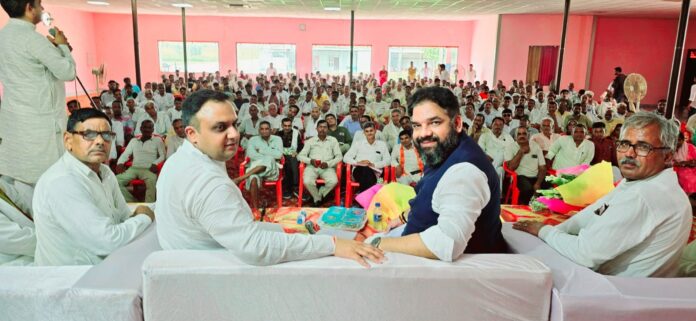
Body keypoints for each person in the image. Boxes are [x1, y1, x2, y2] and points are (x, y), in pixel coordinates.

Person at [155, 90, 383, 267]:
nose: (234, 134)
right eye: (220, 128)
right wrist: (332, 245)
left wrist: (294, 234)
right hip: (217, 269)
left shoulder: (179, 160)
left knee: (294, 232)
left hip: (201, 252)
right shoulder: (207, 182)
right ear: (192, 134)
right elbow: (256, 247)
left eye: (234, 124)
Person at [514, 112, 691, 277]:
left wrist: (544, 231)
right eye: (624, 144)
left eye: (643, 147)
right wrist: (556, 230)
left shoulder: (644, 196)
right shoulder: (640, 183)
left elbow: (585, 254)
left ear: (668, 156)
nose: (629, 153)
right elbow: (599, 210)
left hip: (611, 289)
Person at [368, 86, 506, 262]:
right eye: (417, 125)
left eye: (434, 122)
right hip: (416, 246)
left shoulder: (464, 172)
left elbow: (447, 244)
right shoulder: (445, 149)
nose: (424, 133)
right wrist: (405, 217)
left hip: (441, 273)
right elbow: (436, 198)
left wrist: (379, 243)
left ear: (457, 124)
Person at [33, 109, 153, 266]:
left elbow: (124, 216)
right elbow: (107, 242)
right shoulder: (62, 181)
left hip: (105, 264)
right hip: (73, 278)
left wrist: (138, 218)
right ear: (68, 140)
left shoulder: (105, 172)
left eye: (106, 135)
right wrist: (144, 217)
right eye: (89, 134)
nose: (99, 141)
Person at [0, 0, 76, 200]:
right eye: (40, 5)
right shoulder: (32, 39)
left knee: (22, 187)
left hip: (16, 123)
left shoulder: (3, 37)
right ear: (29, 7)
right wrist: (62, 47)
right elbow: (67, 71)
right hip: (42, 124)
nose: (42, 10)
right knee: (50, 188)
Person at [235, 121, 282, 209]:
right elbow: (251, 155)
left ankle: (241, 178)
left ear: (271, 130)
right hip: (256, 169)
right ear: (259, 130)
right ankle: (256, 210)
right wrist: (270, 153)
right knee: (253, 178)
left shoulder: (277, 139)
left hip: (271, 170)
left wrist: (260, 151)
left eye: (267, 129)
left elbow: (279, 155)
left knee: (269, 159)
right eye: (262, 129)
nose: (264, 131)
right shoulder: (253, 140)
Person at [116, 120, 165, 202]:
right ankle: (132, 201)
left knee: (152, 182)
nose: (147, 130)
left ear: (153, 129)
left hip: (148, 168)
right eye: (145, 127)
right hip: (134, 168)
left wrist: (155, 163)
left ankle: (149, 206)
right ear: (141, 129)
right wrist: (120, 163)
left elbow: (163, 155)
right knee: (115, 181)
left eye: (150, 128)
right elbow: (126, 154)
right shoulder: (134, 141)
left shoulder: (157, 140)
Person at [297, 120, 342, 206]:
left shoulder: (333, 140)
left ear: (328, 129)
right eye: (320, 127)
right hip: (312, 166)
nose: (322, 129)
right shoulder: (310, 141)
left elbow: (339, 156)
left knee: (333, 181)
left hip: (327, 167)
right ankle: (318, 198)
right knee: (307, 181)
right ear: (316, 129)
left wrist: (328, 164)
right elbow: (300, 156)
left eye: (325, 127)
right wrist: (310, 161)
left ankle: (319, 194)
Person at [343, 122, 391, 193]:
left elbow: (388, 160)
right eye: (367, 131)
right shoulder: (358, 144)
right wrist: (358, 162)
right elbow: (346, 158)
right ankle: (369, 196)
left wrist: (373, 164)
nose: (369, 133)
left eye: (371, 131)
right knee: (365, 169)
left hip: (374, 172)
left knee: (367, 171)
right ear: (364, 133)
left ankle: (363, 196)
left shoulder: (382, 145)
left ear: (375, 131)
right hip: (358, 170)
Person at [504, 127, 546, 204]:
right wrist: (521, 151)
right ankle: (526, 209)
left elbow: (542, 167)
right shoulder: (510, 147)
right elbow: (511, 168)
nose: (521, 136)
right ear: (515, 137)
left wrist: (538, 183)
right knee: (527, 189)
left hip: (535, 177)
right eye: (519, 134)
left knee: (550, 188)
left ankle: (544, 211)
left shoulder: (535, 146)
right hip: (519, 176)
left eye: (524, 134)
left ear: (528, 135)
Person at [0, 175, 35, 266]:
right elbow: (13, 239)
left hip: (31, 249)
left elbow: (21, 200)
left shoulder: (1, 184)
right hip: (13, 262)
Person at [276, 118, 302, 199]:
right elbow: (275, 147)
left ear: (291, 125)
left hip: (293, 154)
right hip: (281, 155)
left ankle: (293, 187)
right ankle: (293, 187)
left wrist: (297, 152)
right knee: (288, 162)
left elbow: (301, 145)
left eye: (289, 126)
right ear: (282, 126)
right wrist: (280, 154)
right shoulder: (278, 134)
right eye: (285, 126)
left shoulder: (296, 133)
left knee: (292, 160)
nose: (287, 127)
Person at [673, 132, 696, 198]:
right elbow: (668, 162)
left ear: (683, 140)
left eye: (679, 140)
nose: (677, 142)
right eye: (675, 140)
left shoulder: (690, 147)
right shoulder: (670, 150)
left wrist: (692, 162)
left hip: (693, 170)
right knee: (686, 177)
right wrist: (683, 164)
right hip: (679, 171)